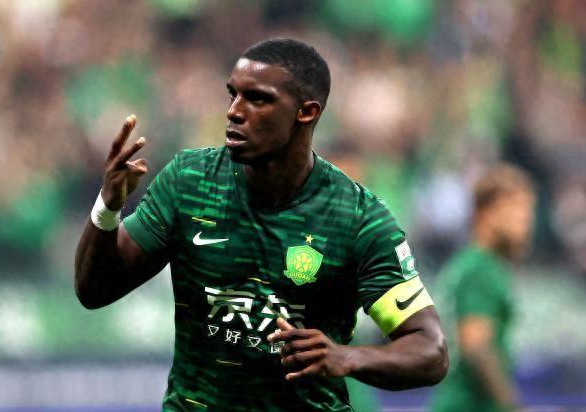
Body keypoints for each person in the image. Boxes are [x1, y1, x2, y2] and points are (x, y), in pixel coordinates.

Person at [75, 38, 448, 411]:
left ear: (306, 112)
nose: (234, 112)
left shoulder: (358, 218)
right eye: (233, 95)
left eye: (257, 99)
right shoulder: (189, 182)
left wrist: (347, 357)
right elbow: (94, 290)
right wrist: (108, 205)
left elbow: (430, 350)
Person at [431, 165, 536, 412]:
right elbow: (476, 346)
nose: (526, 221)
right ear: (486, 214)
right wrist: (509, 403)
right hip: (470, 405)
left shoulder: (468, 264)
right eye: (517, 209)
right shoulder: (480, 269)